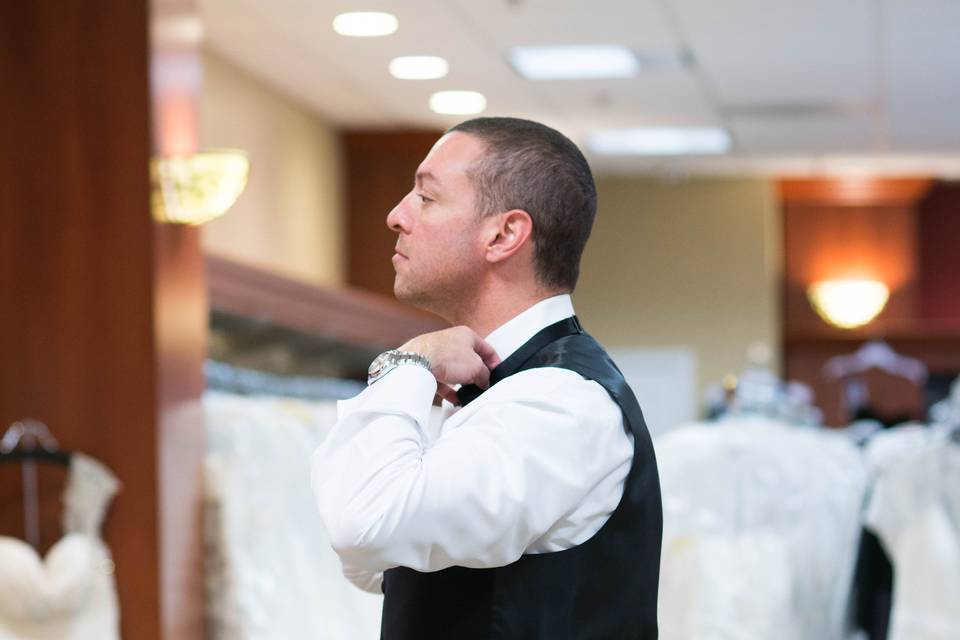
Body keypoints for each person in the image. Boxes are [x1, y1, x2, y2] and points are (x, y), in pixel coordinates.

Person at [311, 117, 662, 639]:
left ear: (504, 234)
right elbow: (374, 565)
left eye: (426, 198)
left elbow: (366, 525)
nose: (394, 216)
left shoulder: (561, 400)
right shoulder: (477, 387)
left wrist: (403, 366)